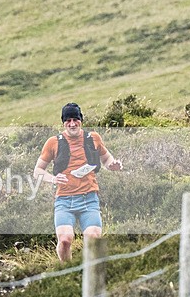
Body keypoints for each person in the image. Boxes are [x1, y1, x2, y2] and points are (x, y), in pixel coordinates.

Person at [34, 103, 123, 261]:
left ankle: (90, 274)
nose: (72, 123)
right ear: (63, 123)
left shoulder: (93, 138)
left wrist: (113, 165)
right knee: (65, 240)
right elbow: (38, 171)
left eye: (75, 119)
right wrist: (53, 178)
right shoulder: (53, 142)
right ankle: (67, 272)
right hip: (64, 200)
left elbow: (107, 158)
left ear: (81, 120)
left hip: (89, 199)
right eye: (68, 120)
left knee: (93, 238)